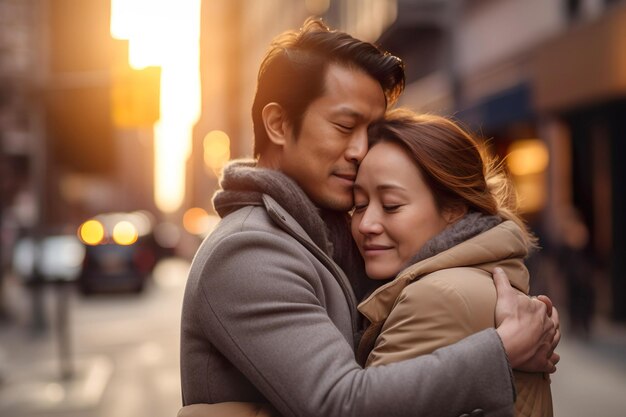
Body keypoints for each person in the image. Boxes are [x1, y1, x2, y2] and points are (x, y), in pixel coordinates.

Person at [179, 17, 560, 417]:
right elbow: (340, 402)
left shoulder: (330, 236)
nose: (362, 149)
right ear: (277, 124)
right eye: (345, 126)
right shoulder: (249, 250)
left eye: (372, 130)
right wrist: (502, 350)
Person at [352, 109, 553, 416]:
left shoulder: (436, 296)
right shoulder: (474, 280)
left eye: (391, 205)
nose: (367, 223)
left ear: (454, 210)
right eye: (359, 205)